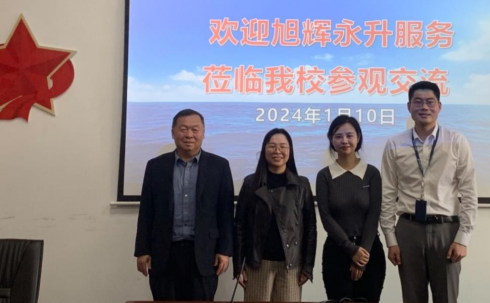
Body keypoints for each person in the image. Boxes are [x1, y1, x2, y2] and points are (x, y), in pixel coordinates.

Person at [380, 81, 478, 303]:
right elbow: (387, 193)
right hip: (408, 230)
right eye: (418, 102)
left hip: (446, 230)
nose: (424, 107)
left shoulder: (456, 141)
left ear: (439, 106)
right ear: (409, 106)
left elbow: (469, 192)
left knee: (446, 297)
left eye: (430, 102)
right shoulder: (395, 144)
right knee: (412, 298)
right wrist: (390, 239)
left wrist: (463, 238)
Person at [134, 109, 234, 301]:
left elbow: (225, 213)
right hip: (164, 253)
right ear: (173, 132)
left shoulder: (219, 166)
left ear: (203, 132)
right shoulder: (156, 166)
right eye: (183, 129)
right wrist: (142, 250)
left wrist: (224, 250)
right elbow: (146, 211)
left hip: (204, 253)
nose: (189, 135)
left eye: (195, 129)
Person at [234, 128, 317, 302]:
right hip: (258, 264)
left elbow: (310, 228)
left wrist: (308, 267)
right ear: (264, 150)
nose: (277, 151)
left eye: (283, 146)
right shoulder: (251, 183)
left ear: (290, 151)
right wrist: (238, 265)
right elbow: (240, 226)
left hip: (291, 265)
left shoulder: (302, 184)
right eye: (272, 146)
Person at [317, 115, 386, 302]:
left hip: (369, 251)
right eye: (338, 136)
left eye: (349, 135)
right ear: (331, 139)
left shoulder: (371, 173)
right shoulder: (324, 176)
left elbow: (373, 215)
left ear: (358, 137)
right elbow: (325, 216)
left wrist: (362, 255)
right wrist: (351, 250)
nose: (344, 140)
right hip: (337, 251)